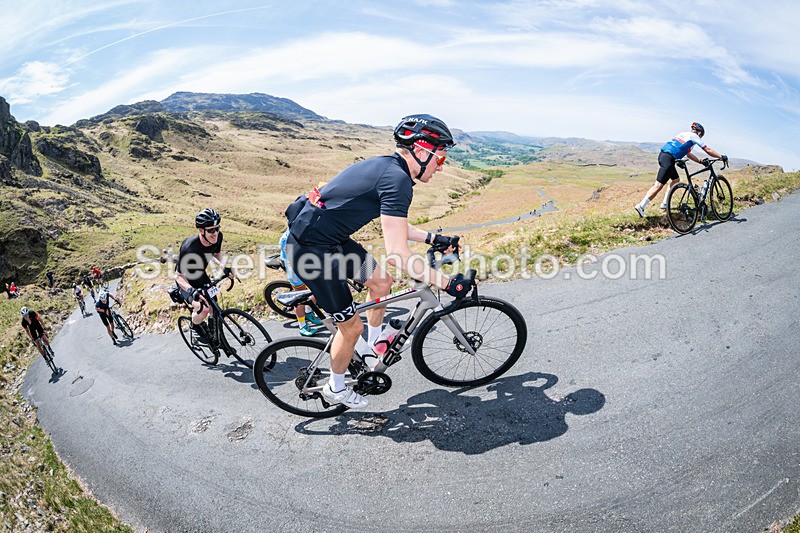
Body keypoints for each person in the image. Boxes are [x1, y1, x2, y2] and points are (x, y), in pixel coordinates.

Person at [284, 114, 474, 409]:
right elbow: (398, 254)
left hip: (329, 242)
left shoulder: (389, 169)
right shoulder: (397, 180)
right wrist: (449, 284)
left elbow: (397, 226)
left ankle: (372, 348)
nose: (440, 167)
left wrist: (437, 240)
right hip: (313, 254)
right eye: (441, 159)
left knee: (382, 280)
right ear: (422, 151)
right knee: (350, 328)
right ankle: (335, 389)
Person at [635, 122, 727, 217]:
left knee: (676, 180)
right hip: (669, 159)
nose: (700, 137)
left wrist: (700, 161)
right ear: (699, 133)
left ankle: (665, 204)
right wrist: (721, 156)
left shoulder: (683, 134)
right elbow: (707, 150)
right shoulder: (694, 136)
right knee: (658, 185)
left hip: (664, 156)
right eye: (701, 136)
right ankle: (641, 206)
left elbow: (688, 154)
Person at [174, 208, 233, 344]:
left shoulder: (218, 237)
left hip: (201, 276)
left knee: (215, 307)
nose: (215, 233)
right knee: (204, 309)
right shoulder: (189, 247)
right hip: (186, 282)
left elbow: (216, 253)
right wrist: (191, 291)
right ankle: (194, 326)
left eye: (217, 228)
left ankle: (216, 338)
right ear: (201, 230)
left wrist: (225, 267)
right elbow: (179, 276)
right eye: (211, 230)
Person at [278, 228, 323, 336]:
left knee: (317, 289)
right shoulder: (288, 237)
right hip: (293, 267)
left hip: (306, 263)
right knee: (300, 297)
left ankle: (308, 312)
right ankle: (302, 325)